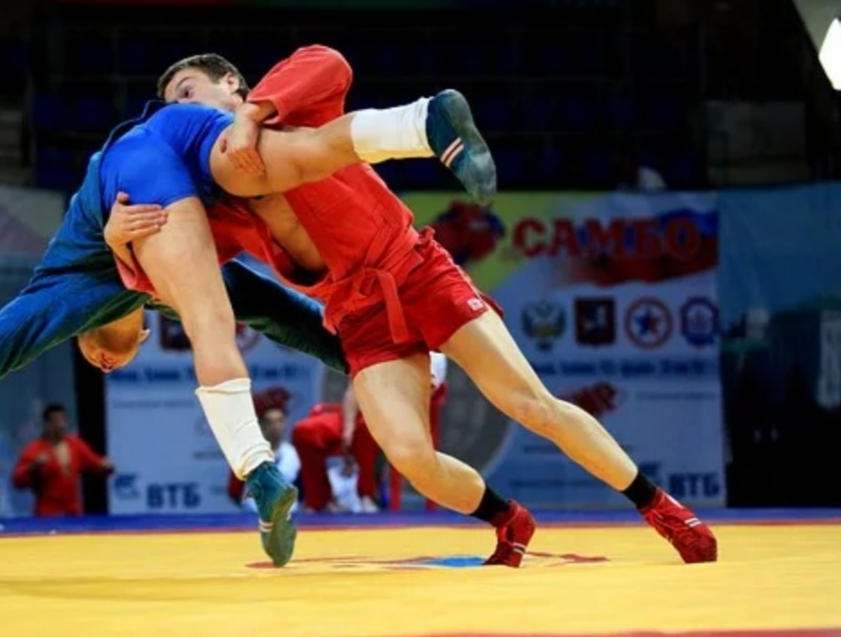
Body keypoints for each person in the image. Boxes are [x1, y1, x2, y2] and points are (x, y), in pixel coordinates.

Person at [104, 45, 716, 565]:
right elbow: (169, 276)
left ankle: (660, 507)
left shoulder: (287, 114)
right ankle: (507, 518)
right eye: (173, 105)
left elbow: (327, 61)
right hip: (357, 315)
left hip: (416, 271)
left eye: (189, 91)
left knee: (530, 403)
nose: (181, 108)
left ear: (231, 84)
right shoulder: (214, 201)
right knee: (409, 455)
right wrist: (117, 240)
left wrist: (254, 115)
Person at [0, 79, 497, 569]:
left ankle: (258, 472)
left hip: (138, 163)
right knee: (291, 177)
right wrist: (379, 358)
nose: (104, 361)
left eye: (97, 357)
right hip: (186, 144)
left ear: (96, 341)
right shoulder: (158, 289)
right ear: (142, 332)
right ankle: (417, 122)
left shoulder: (66, 288)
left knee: (215, 310)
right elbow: (286, 317)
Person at [292, 352, 449, 513]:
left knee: (371, 426)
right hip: (363, 415)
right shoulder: (377, 344)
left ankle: (367, 494)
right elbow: (355, 387)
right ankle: (320, 501)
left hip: (398, 420)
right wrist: (348, 429)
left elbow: (424, 394)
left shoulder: (433, 354)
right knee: (305, 432)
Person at [11, 404, 113, 517]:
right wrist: (33, 466)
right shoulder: (35, 449)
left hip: (73, 512)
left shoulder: (75, 444)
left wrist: (105, 466)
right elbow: (17, 480)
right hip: (47, 513)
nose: (61, 425)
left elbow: (94, 462)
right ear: (47, 424)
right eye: (56, 421)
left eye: (63, 420)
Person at [227, 389, 301, 514]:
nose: (275, 427)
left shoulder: (295, 454)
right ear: (261, 424)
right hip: (254, 516)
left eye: (280, 421)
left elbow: (305, 489)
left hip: (289, 516)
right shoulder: (248, 454)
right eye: (270, 422)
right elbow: (234, 491)